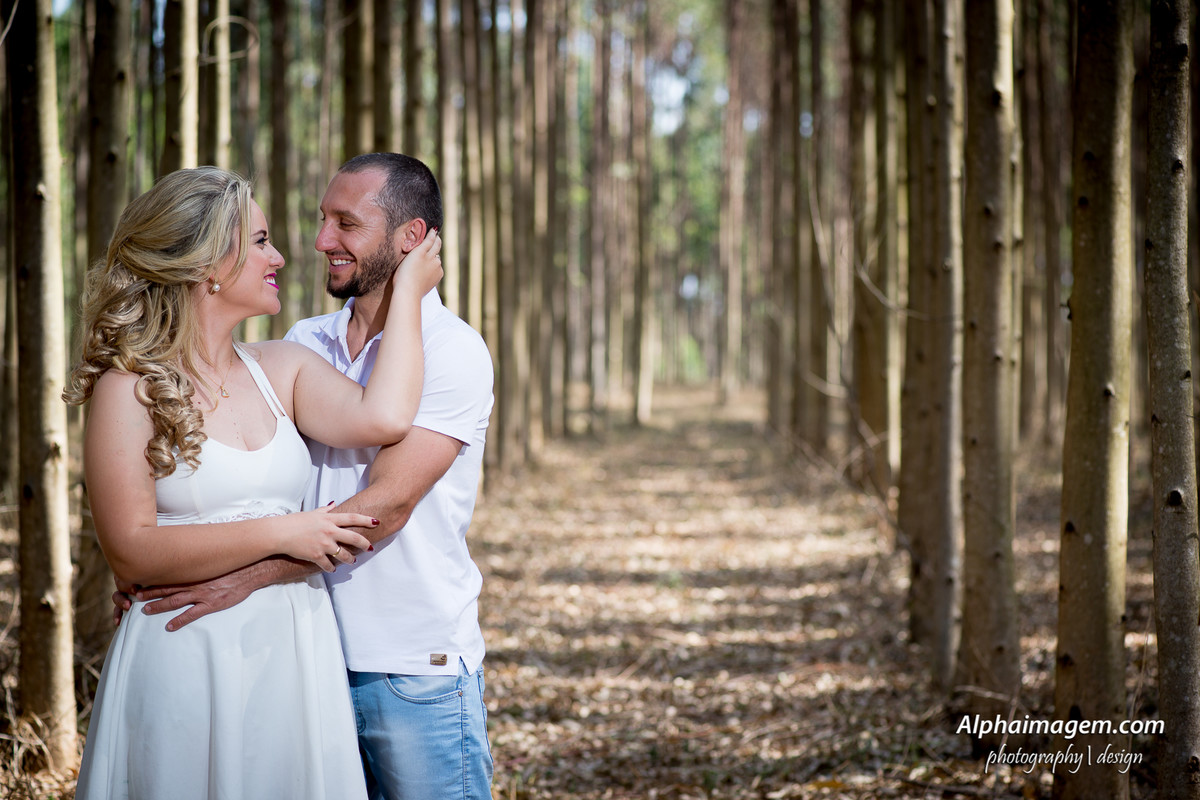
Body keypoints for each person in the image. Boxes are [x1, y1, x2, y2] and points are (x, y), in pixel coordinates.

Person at [126, 153, 496, 800]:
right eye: (322, 219)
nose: (322, 241)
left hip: (408, 668)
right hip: (298, 651)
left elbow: (385, 508)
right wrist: (169, 565)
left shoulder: (453, 351)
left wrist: (243, 577)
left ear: (411, 239)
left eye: (346, 224)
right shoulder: (302, 341)